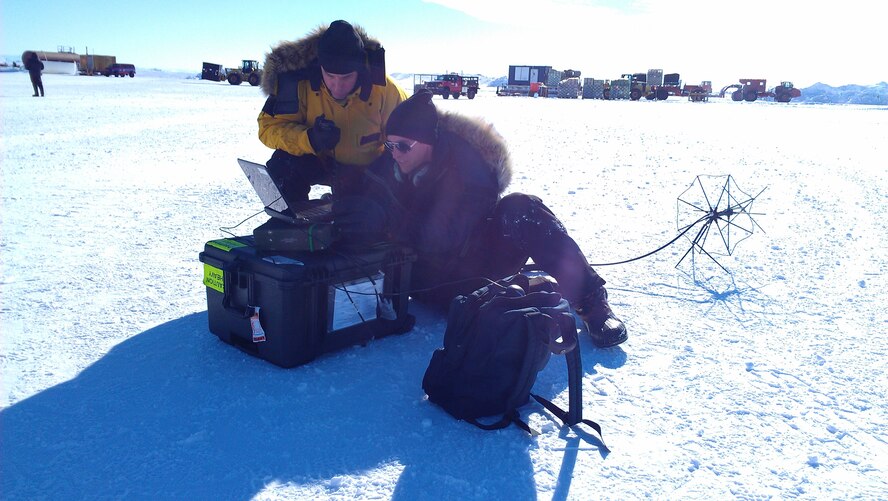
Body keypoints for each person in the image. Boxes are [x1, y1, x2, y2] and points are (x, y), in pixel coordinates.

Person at [334, 89, 628, 348]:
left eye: (403, 146)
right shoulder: (396, 160)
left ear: (429, 142)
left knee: (521, 208)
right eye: (390, 144)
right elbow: (367, 185)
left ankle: (591, 303)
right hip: (427, 283)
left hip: (477, 270)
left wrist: (387, 220)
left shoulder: (469, 169)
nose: (394, 153)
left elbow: (442, 238)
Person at [257, 20, 407, 202]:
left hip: (369, 172)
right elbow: (268, 129)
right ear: (319, 67)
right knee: (282, 164)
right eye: (330, 76)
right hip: (322, 163)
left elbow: (408, 146)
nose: (337, 86)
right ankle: (293, 226)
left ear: (360, 70)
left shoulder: (387, 91)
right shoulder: (297, 85)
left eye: (346, 77)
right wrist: (310, 138)